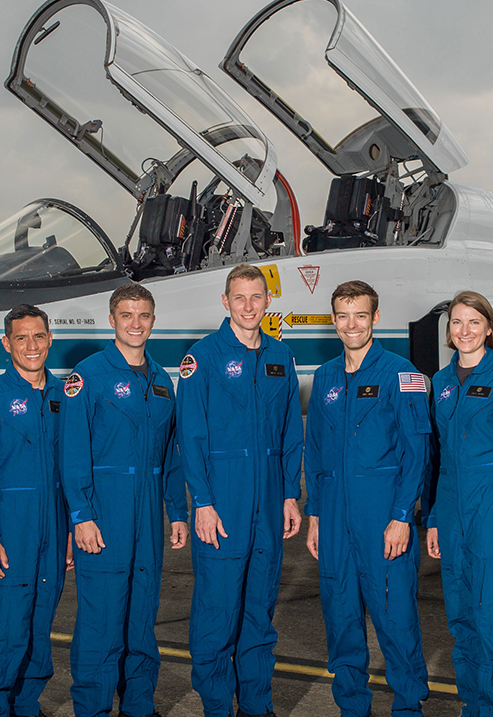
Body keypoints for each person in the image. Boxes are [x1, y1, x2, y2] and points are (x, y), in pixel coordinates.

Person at [177, 265, 303, 717]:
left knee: (259, 612)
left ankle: (255, 704)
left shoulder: (280, 357)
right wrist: (204, 503)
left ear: (268, 301)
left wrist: (290, 494)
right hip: (223, 501)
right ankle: (216, 706)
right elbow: (190, 436)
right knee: (217, 612)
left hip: (269, 501)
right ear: (225, 302)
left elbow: (291, 431)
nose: (248, 306)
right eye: (239, 297)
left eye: (256, 297)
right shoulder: (203, 357)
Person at [61, 283, 190, 717]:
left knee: (142, 618)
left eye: (144, 315)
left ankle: (138, 703)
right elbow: (73, 453)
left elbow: (169, 453)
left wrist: (177, 511)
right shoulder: (88, 376)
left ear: (153, 320)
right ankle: (93, 707)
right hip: (104, 514)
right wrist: (81, 515)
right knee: (101, 621)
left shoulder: (160, 379)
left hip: (148, 516)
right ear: (112, 319)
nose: (136, 324)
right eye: (127, 315)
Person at [303, 280, 431, 717]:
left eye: (360, 315)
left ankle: (409, 706)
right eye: (342, 315)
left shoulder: (403, 374)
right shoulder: (324, 378)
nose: (351, 324)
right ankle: (352, 707)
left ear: (375, 318)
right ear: (333, 321)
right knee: (341, 621)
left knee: (395, 619)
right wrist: (315, 515)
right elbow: (315, 450)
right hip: (335, 519)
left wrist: (401, 516)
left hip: (383, 517)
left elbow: (418, 453)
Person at [424, 290, 493, 717]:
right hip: (453, 512)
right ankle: (472, 706)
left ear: (489, 328)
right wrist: (434, 517)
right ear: (449, 331)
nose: (465, 330)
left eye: (474, 322)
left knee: (492, 621)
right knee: (461, 620)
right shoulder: (440, 382)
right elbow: (439, 460)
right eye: (457, 322)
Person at [0, 304, 70, 717]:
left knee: (39, 626)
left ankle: (27, 705)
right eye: (21, 338)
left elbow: (73, 469)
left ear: (50, 339)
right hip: (10, 532)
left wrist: (70, 534)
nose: (32, 346)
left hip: (53, 533)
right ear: (5, 343)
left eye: (39, 336)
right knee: (5, 629)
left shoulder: (65, 396)